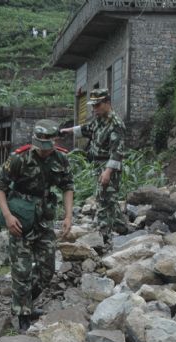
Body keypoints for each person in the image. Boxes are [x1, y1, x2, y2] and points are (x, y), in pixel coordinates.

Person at [0, 120, 74, 331]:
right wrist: (8, 216)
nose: (45, 152)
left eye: (48, 147)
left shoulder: (61, 158)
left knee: (47, 270)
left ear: (54, 141)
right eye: (41, 147)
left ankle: (24, 303)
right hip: (21, 217)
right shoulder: (19, 158)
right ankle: (22, 314)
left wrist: (68, 216)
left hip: (44, 219)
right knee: (21, 270)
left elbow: (67, 186)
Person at [60, 88, 127, 244]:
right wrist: (66, 131)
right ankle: (122, 226)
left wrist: (108, 172)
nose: (94, 109)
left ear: (107, 103)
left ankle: (104, 239)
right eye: (93, 105)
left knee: (104, 201)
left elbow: (118, 151)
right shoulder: (99, 120)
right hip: (98, 165)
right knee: (108, 198)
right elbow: (87, 129)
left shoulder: (116, 124)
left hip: (109, 167)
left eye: (97, 105)